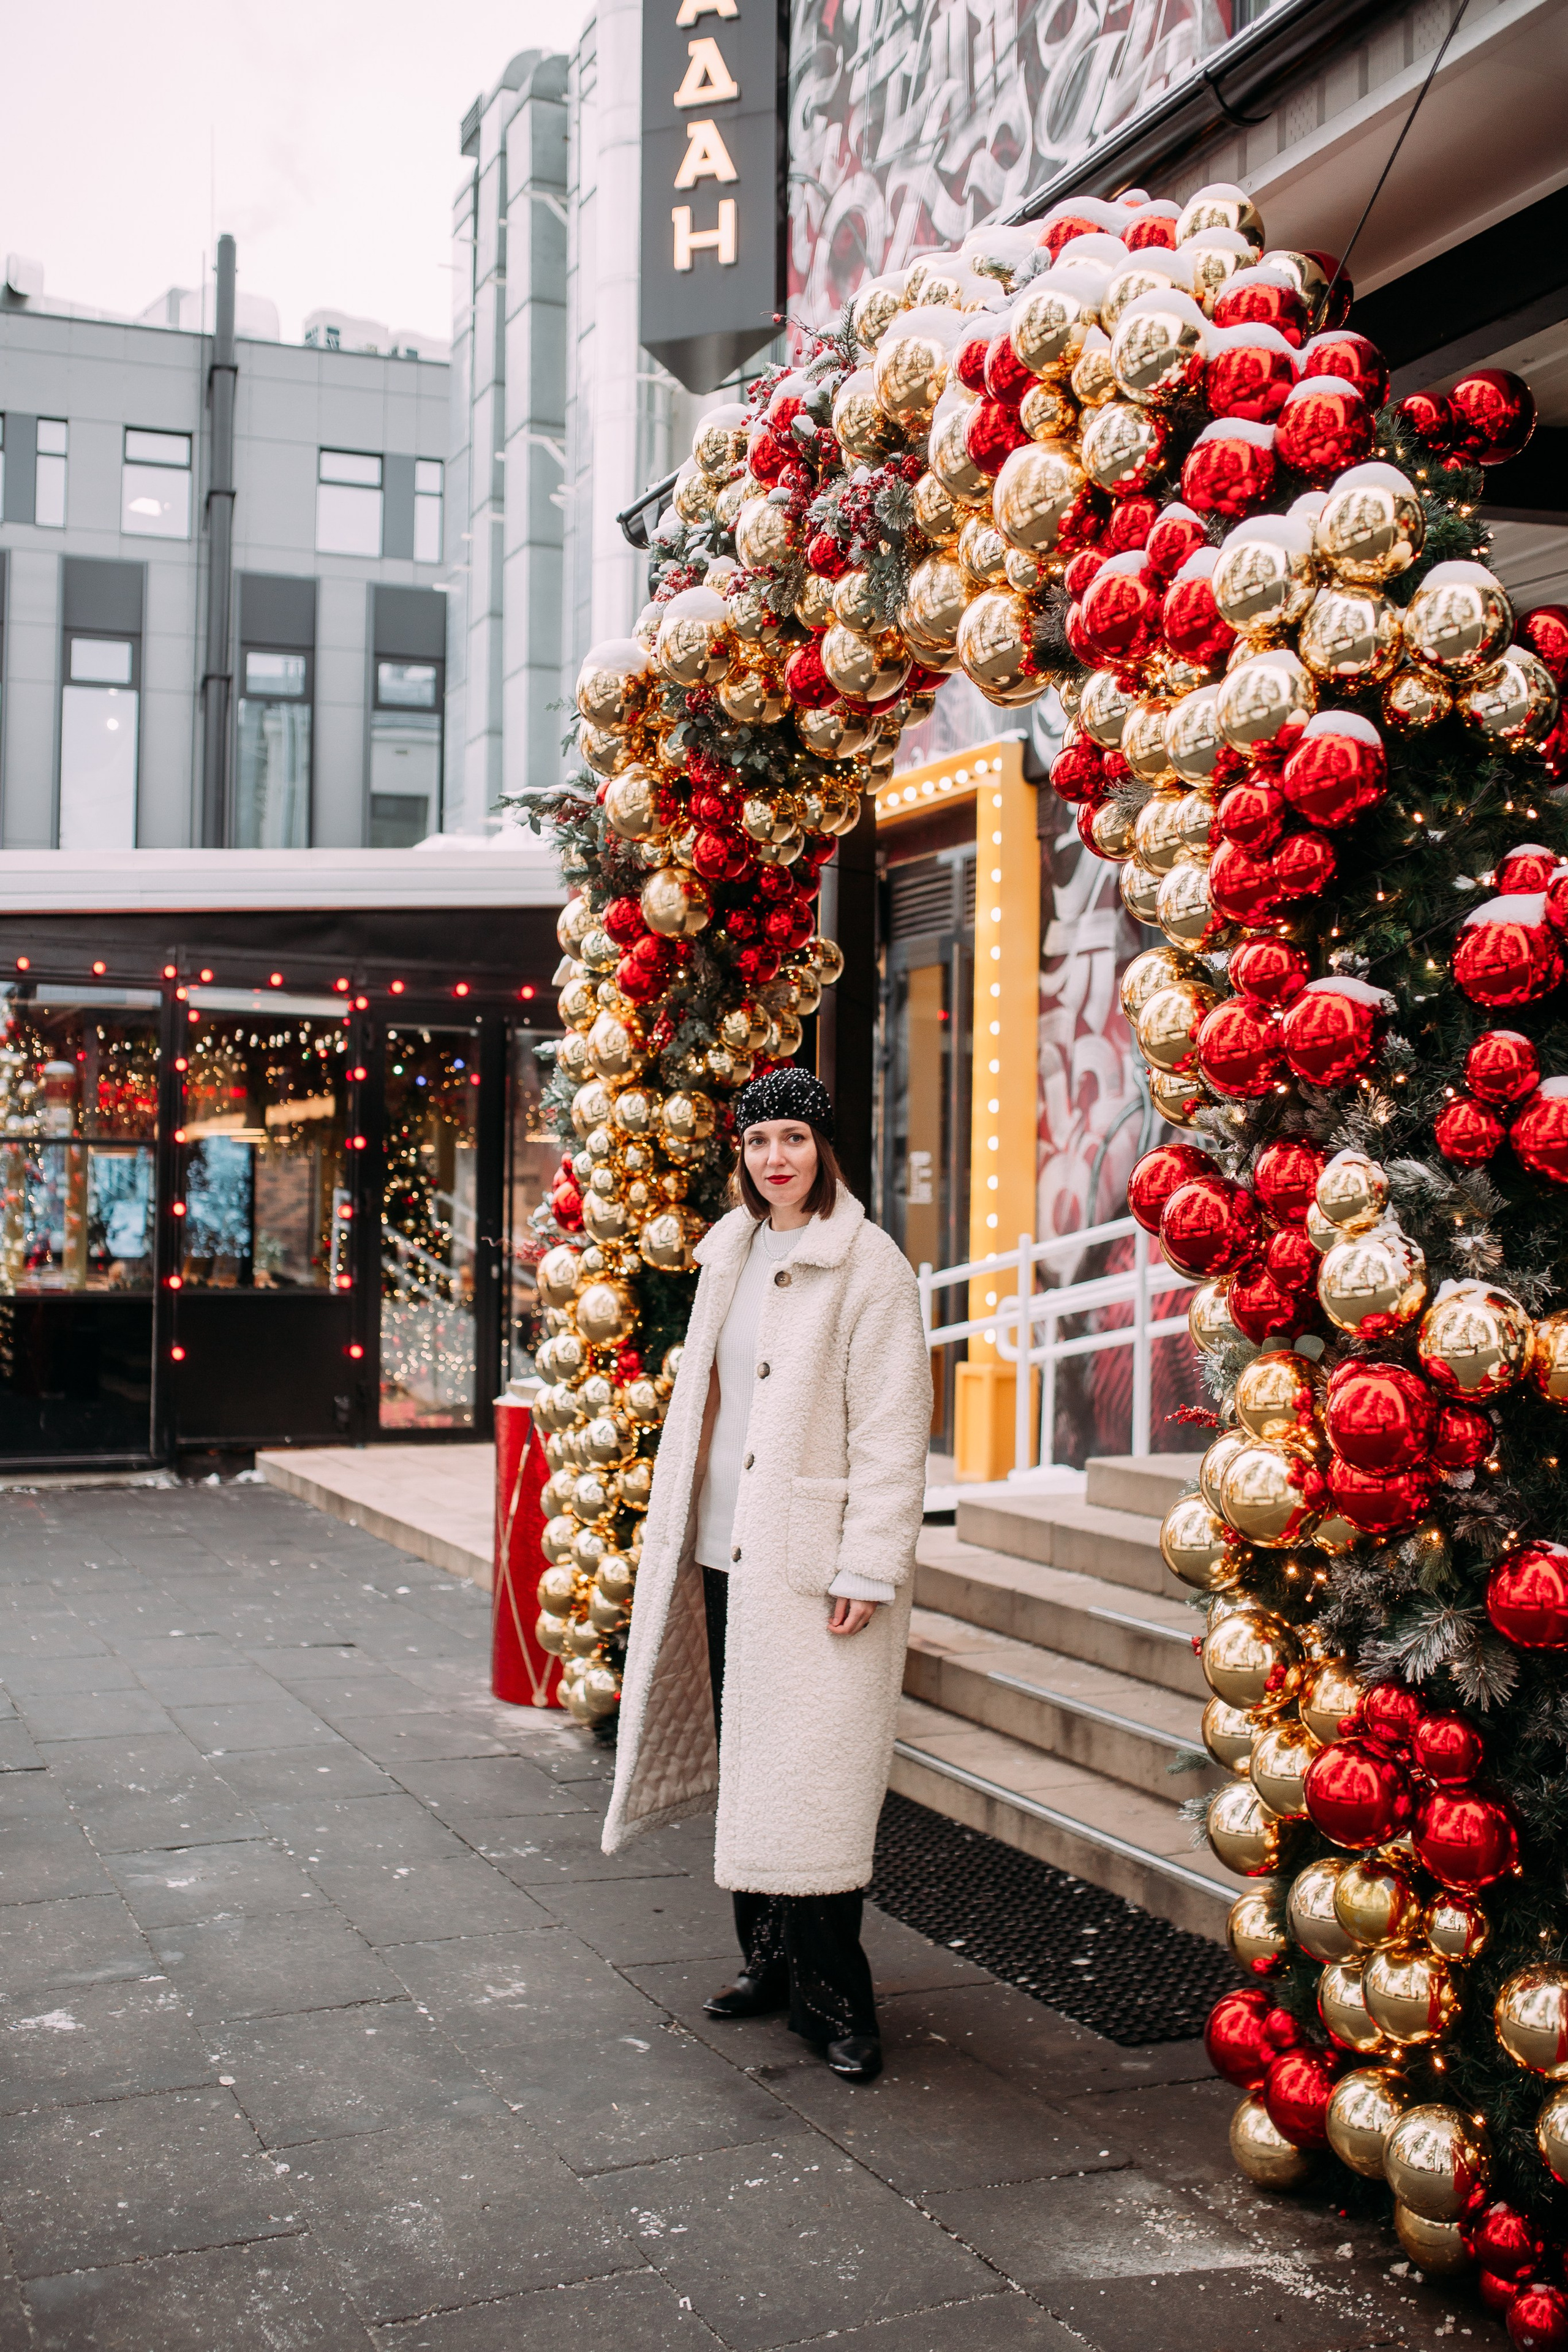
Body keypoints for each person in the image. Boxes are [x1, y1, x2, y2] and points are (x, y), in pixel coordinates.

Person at [601, 1068, 932, 2082]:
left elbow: (893, 1431)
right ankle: (769, 1963)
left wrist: (869, 1563)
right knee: (752, 1761)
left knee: (814, 1780)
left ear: (824, 1148)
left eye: (793, 1137)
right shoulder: (730, 1251)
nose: (775, 1157)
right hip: (718, 1548)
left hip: (812, 1561)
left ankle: (839, 2002)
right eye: (757, 1141)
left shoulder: (869, 1265)